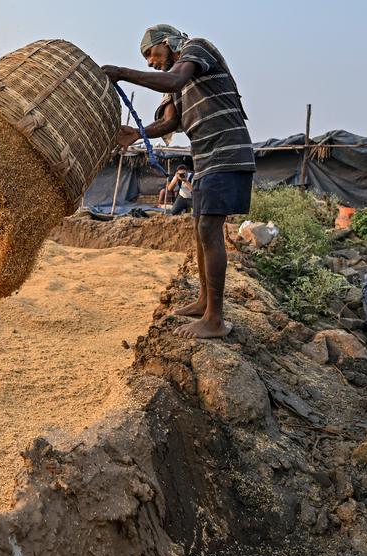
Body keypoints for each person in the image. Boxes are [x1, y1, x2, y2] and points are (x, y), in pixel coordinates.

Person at [103, 24, 255, 339]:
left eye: (150, 53)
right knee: (201, 227)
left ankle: (215, 320)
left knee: (208, 229)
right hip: (207, 158)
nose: (149, 62)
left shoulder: (194, 49)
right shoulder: (176, 85)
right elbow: (170, 121)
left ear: (168, 43)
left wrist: (120, 72)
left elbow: (174, 78)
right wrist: (137, 133)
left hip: (226, 153)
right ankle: (204, 302)